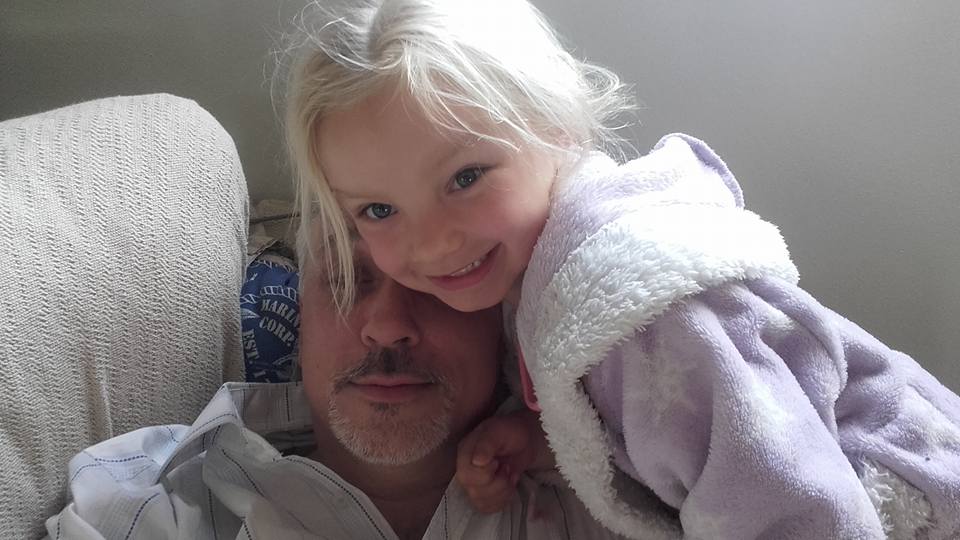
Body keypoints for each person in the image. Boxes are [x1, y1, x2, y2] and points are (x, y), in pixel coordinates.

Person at [281, 0, 960, 539]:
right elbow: (655, 432)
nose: (431, 243)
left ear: (558, 130)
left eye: (465, 177)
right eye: (378, 209)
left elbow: (796, 505)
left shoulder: (647, 318)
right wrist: (539, 441)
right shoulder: (536, 287)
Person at [43, 241, 627, 539]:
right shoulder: (138, 504)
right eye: (347, 277)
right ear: (300, 311)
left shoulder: (622, 494)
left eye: (439, 279)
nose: (388, 325)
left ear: (507, 321)